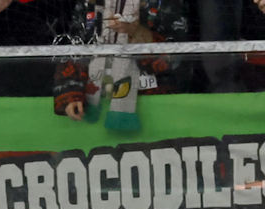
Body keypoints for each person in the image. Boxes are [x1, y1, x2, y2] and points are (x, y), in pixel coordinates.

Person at [54, 0, 190, 133]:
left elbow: (176, 60)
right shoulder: (88, 3)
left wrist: (136, 31)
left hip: (155, 108)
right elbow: (75, 47)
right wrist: (71, 94)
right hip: (94, 110)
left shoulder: (165, 3)